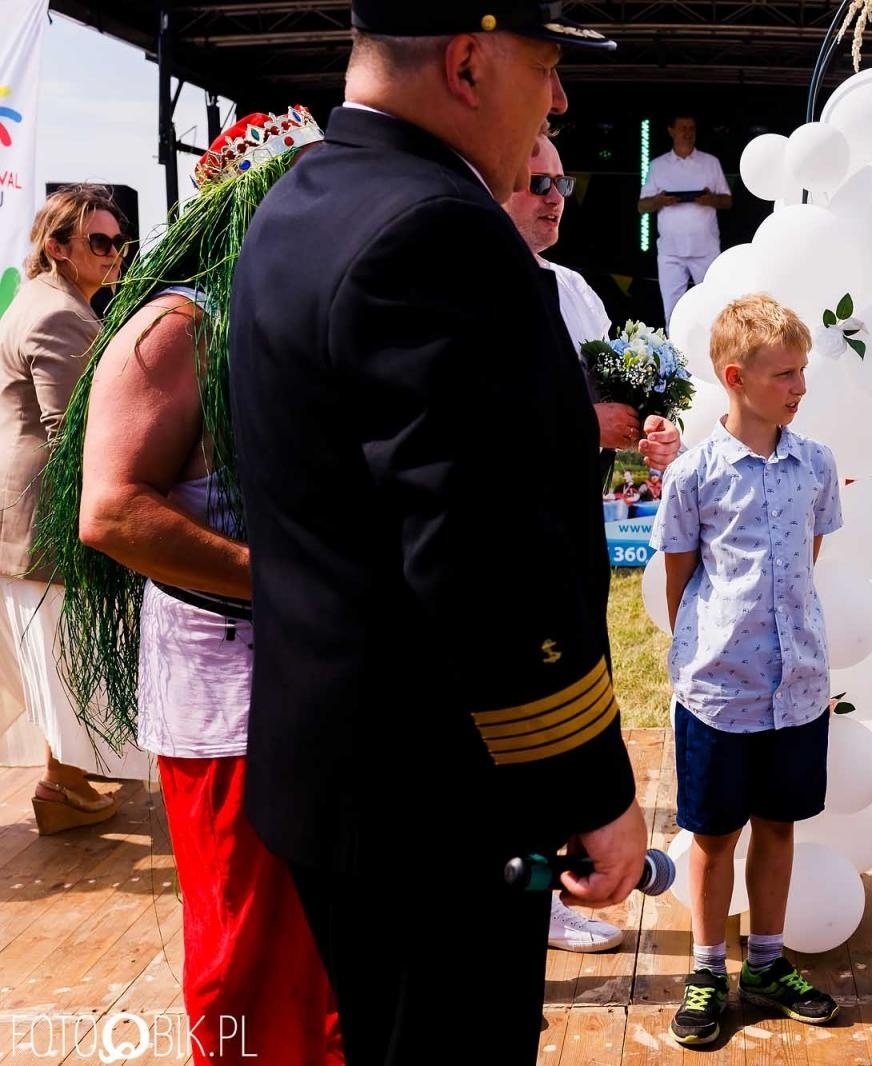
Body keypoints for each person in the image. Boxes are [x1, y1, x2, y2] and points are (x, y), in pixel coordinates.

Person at [227, 8, 645, 1063]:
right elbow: (480, 557)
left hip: (344, 775)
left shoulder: (304, 197)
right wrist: (589, 787)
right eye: (546, 67)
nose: (556, 101)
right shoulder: (439, 229)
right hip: (437, 795)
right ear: (467, 60)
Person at [38, 109, 342, 1066]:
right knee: (247, 949)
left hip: (325, 689)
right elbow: (113, 513)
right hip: (230, 699)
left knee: (325, 953)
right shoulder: (177, 326)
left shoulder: (302, 314)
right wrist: (284, 583)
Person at [505, 133, 682, 955]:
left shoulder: (574, 289)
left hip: (571, 531)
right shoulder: (462, 281)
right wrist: (590, 426)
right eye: (535, 180)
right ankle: (520, 901)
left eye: (561, 180)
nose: (553, 195)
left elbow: (611, 402)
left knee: (579, 691)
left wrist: (642, 432)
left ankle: (550, 891)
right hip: (493, 541)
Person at [651, 294, 843, 1047]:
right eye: (785, 374)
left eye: (802, 372)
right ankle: (707, 969)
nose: (800, 387)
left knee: (779, 824)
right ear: (736, 377)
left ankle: (765, 963)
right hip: (719, 691)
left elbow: (807, 562)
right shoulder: (696, 475)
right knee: (714, 834)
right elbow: (680, 582)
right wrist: (711, 650)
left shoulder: (816, 464)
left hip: (795, 690)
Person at [0, 183, 145, 834]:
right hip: (45, 517)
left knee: (56, 660)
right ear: (56, 248)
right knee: (68, 654)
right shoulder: (59, 313)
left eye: (120, 241)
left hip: (20, 512)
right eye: (99, 242)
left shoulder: (37, 300)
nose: (115, 253)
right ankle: (62, 786)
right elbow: (71, 435)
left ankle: (64, 784)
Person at [638, 113, 732, 322]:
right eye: (683, 128)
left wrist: (710, 199)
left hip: (706, 249)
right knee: (672, 311)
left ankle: (714, 353)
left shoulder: (710, 162)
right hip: (671, 251)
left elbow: (727, 201)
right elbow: (642, 206)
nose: (687, 133)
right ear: (671, 131)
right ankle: (674, 353)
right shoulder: (658, 165)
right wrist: (661, 200)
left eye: (691, 128)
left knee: (714, 309)